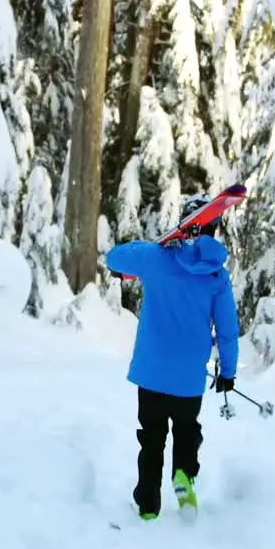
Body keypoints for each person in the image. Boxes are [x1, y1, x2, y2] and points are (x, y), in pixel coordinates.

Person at [104, 194, 241, 520]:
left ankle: (148, 505)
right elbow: (227, 330)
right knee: (186, 431)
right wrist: (228, 372)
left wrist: (150, 251)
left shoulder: (154, 258)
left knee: (151, 440)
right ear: (214, 227)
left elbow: (114, 258)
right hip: (188, 378)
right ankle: (184, 476)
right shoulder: (216, 276)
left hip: (151, 374)